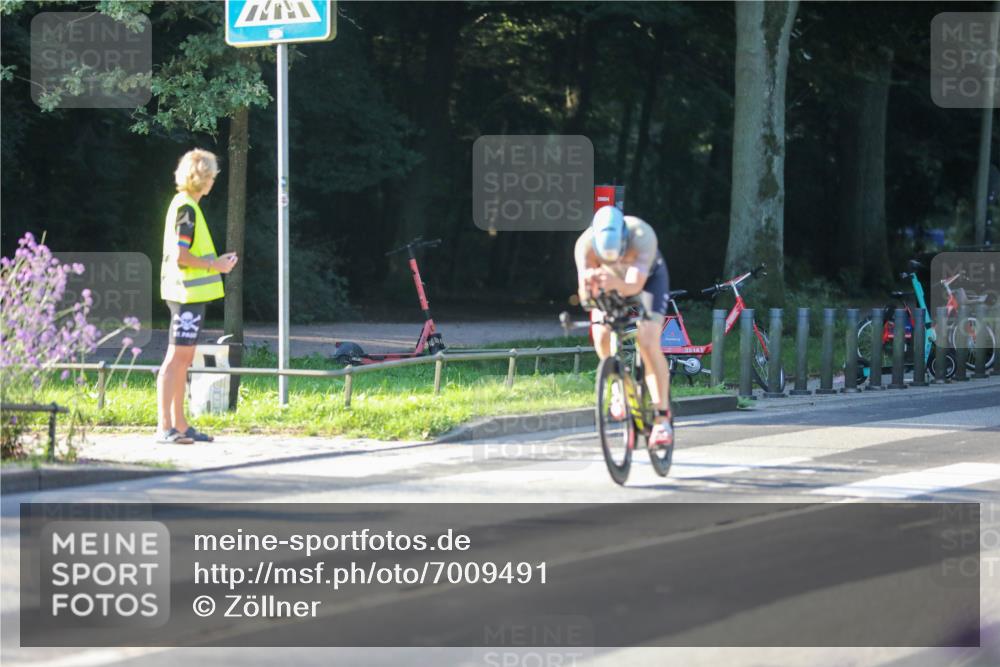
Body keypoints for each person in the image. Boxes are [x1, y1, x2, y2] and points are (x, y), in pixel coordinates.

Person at [156, 149, 238, 444]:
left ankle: (180, 425)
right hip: (185, 295)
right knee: (176, 359)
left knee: (184, 359)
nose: (214, 180)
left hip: (189, 295)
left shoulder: (187, 205)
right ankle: (165, 427)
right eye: (212, 175)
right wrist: (216, 265)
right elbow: (182, 256)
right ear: (202, 178)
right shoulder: (186, 209)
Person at [575, 205, 673, 447]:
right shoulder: (584, 245)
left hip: (648, 281)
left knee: (648, 343)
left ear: (624, 240)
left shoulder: (642, 235)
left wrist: (614, 282)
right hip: (610, 281)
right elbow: (585, 297)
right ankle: (618, 386)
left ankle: (662, 419)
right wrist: (589, 289)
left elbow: (634, 287)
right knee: (600, 332)